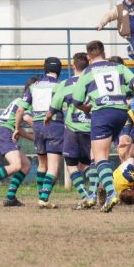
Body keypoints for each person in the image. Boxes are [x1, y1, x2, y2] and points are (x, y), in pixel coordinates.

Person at [71, 40, 134, 213]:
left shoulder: (88, 72)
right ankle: (91, 196)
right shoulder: (118, 67)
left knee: (99, 157)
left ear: (89, 56)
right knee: (97, 154)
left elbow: (76, 101)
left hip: (102, 112)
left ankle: (111, 194)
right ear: (103, 53)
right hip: (121, 113)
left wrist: (86, 108)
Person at [46, 52, 97, 209]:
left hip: (73, 129)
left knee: (72, 165)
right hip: (92, 128)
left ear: (73, 66)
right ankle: (94, 191)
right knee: (90, 163)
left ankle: (86, 196)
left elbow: (54, 105)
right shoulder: (94, 83)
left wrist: (48, 117)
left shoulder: (65, 84)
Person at [23, 57, 63, 208]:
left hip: (38, 126)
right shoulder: (60, 85)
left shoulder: (34, 86)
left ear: (45, 69)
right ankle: (44, 199)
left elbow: (23, 107)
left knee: (42, 164)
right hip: (54, 125)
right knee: (53, 166)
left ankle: (41, 195)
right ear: (59, 71)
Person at [98, 0, 134, 85]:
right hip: (131, 34)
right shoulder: (119, 8)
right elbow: (109, 15)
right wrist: (102, 23)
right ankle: (130, 49)